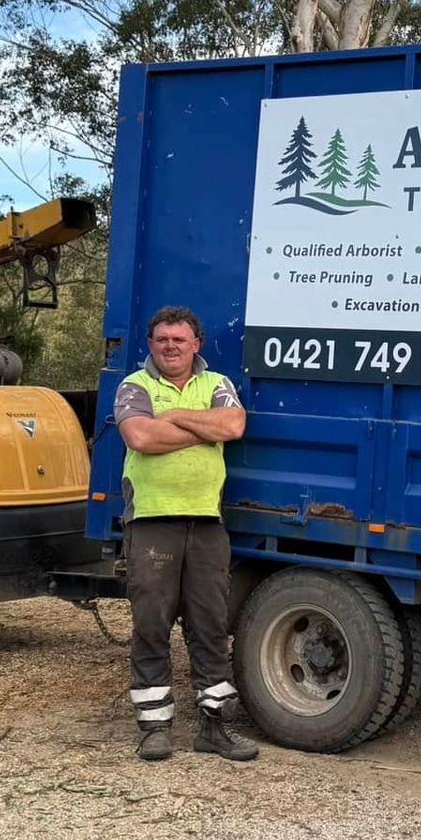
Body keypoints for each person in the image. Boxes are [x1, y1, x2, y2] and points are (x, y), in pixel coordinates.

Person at [112, 305, 258, 763]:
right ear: (151, 345)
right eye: (162, 339)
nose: (170, 346)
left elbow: (234, 425)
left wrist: (172, 416)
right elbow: (140, 438)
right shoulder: (134, 386)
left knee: (210, 625)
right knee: (151, 624)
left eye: (179, 339)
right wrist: (203, 429)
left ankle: (213, 728)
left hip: (207, 522)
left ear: (197, 344)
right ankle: (154, 728)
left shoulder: (217, 385)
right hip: (153, 520)